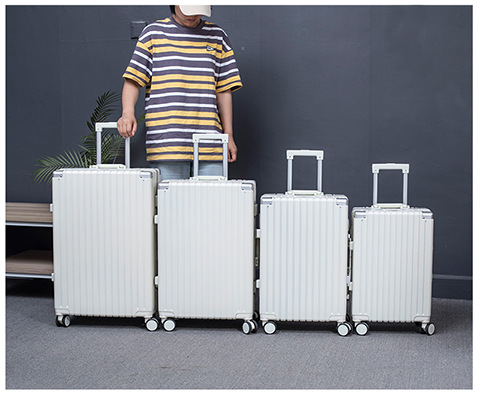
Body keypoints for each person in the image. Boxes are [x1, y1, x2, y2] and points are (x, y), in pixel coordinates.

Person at [117, 5, 242, 180]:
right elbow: (133, 80)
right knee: (171, 198)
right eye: (187, 9)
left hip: (209, 143)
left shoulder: (217, 36)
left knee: (213, 198)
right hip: (167, 143)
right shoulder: (153, 34)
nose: (193, 15)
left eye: (198, 10)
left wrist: (228, 135)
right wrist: (127, 113)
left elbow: (224, 90)